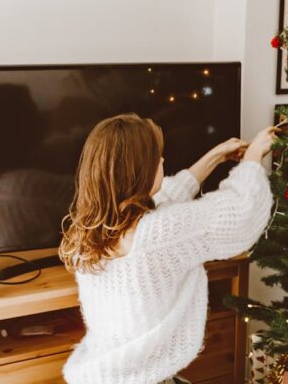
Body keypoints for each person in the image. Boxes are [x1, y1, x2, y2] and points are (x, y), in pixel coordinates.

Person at [59, 114, 276, 384]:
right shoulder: (158, 234)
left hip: (103, 372)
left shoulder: (90, 228)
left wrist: (215, 157)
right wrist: (253, 158)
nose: (163, 161)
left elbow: (165, 198)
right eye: (156, 157)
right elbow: (240, 212)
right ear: (139, 171)